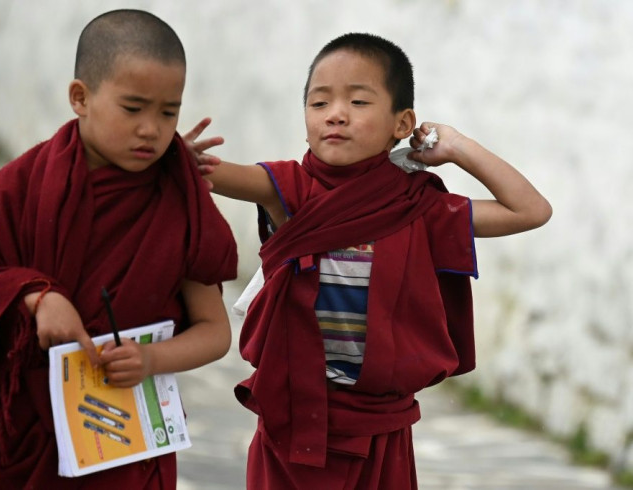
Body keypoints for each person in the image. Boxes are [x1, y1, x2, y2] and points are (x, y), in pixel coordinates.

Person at [186, 32, 552, 489]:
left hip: (379, 424)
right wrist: (178, 155)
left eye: (358, 102)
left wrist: (457, 147)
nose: (336, 114)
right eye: (319, 104)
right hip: (294, 415)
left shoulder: (417, 207)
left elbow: (531, 210)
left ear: (402, 123)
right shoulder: (293, 190)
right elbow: (221, 176)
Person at [0, 9, 237, 490]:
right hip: (27, 429)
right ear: (80, 97)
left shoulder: (180, 202)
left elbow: (215, 330)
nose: (151, 129)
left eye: (168, 113)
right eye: (133, 108)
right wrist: (39, 297)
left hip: (125, 436)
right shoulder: (21, 187)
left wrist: (151, 361)